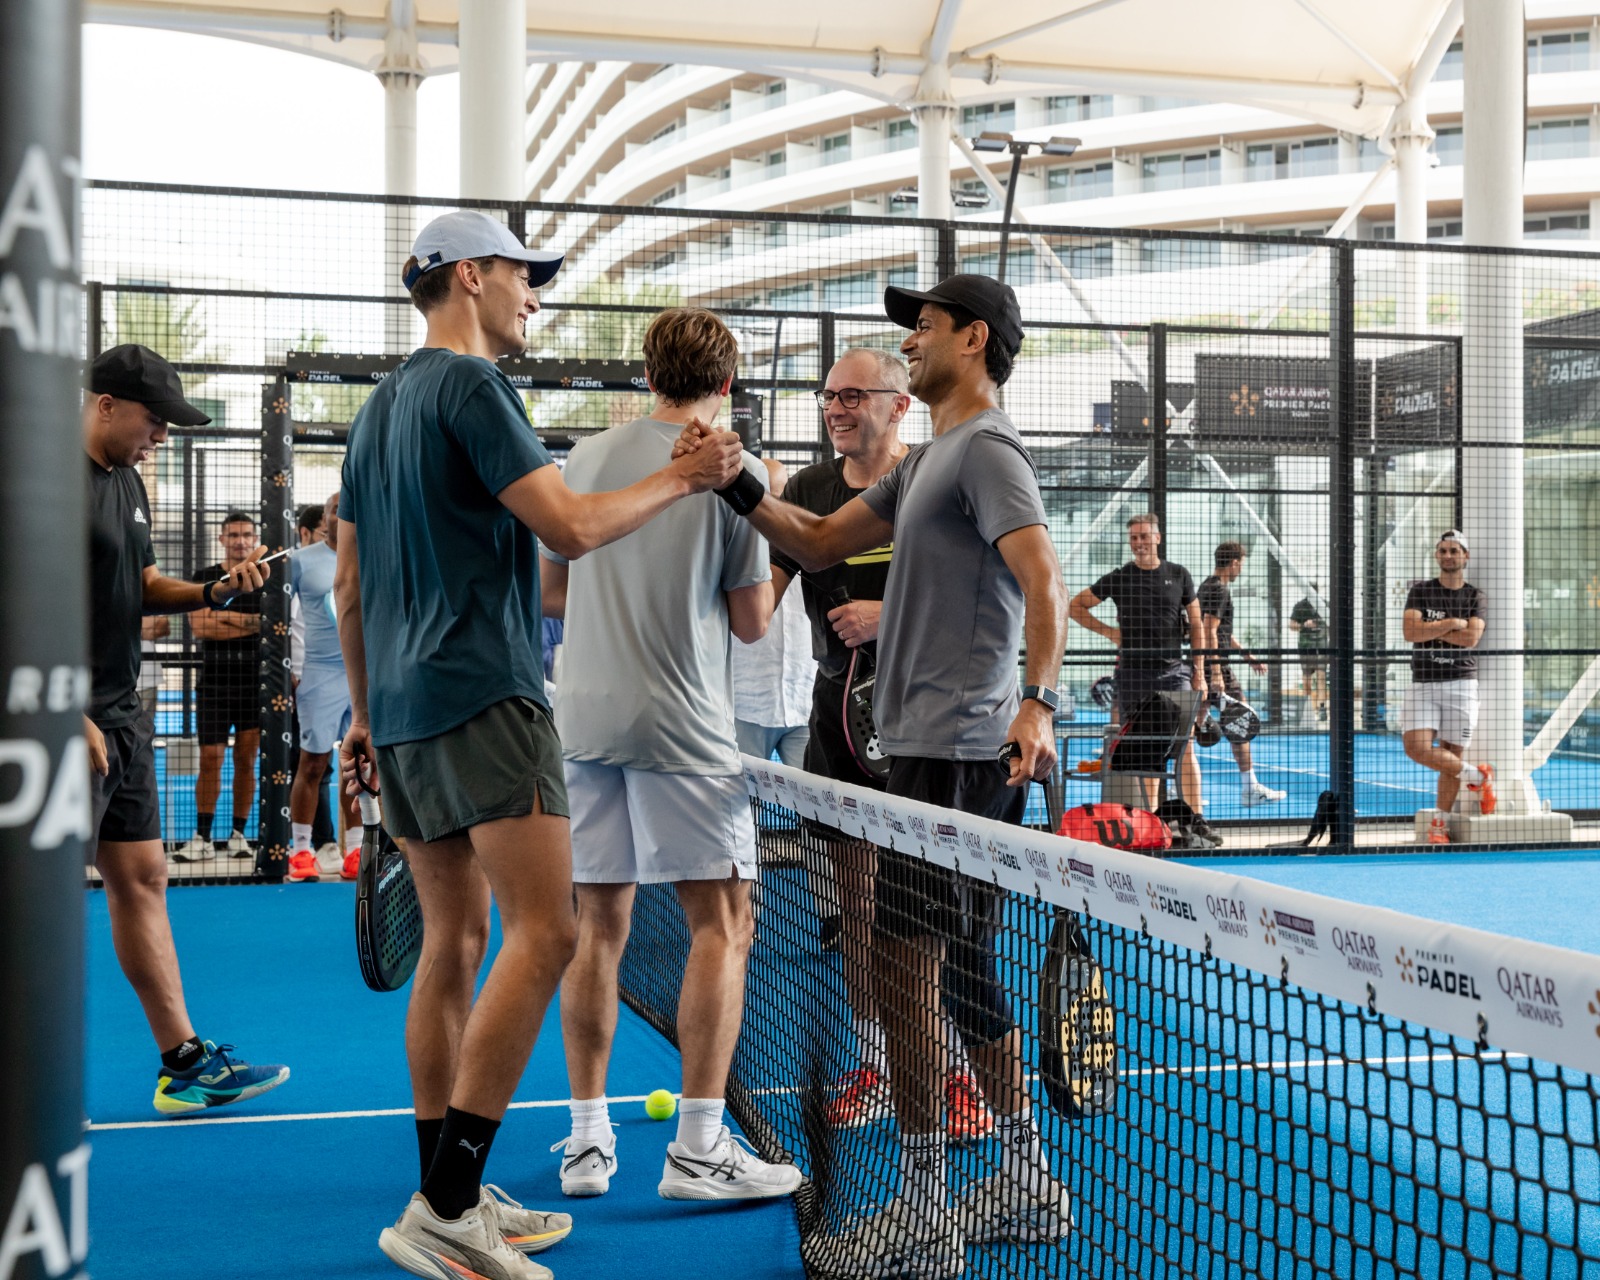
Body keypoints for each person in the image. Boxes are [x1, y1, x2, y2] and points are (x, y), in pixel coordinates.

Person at [335, 211, 744, 1280]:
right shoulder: (473, 389)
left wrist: (370, 714)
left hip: (411, 708)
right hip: (486, 695)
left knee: (453, 942)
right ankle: (448, 1201)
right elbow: (566, 528)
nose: (535, 295)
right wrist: (686, 478)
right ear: (469, 276)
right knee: (548, 932)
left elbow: (351, 584)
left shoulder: (377, 409)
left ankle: (448, 1187)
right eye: (525, 276)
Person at [678, 275, 1072, 1273]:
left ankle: (928, 1211)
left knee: (904, 972)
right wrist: (736, 480)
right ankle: (1026, 1175)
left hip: (957, 753)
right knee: (967, 970)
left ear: (972, 340)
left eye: (925, 328)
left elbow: (1043, 579)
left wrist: (1038, 701)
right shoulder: (930, 461)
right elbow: (812, 540)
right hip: (926, 755)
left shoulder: (986, 450)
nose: (911, 344)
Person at [542, 306, 802, 1206]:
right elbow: (750, 619)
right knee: (721, 925)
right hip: (684, 727)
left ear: (646, 373)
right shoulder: (740, 473)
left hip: (580, 720)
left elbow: (552, 587)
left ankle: (585, 1142)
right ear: (727, 384)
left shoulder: (584, 458)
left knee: (594, 930)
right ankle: (698, 1149)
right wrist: (786, 561)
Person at [773, 348, 991, 1144]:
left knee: (939, 915)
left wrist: (883, 617)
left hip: (931, 728)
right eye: (828, 395)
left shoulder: (936, 478)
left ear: (898, 407)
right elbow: (758, 600)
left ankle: (956, 1072)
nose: (836, 407)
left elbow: (983, 587)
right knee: (860, 903)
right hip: (838, 720)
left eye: (853, 394)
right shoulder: (808, 490)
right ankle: (876, 1059)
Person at [86, 342, 290, 1115]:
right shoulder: (42, 483)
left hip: (120, 713)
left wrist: (214, 587)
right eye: (154, 420)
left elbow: (141, 587)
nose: (162, 436)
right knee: (32, 907)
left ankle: (183, 1065)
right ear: (107, 405)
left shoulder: (128, 482)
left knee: (143, 878)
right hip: (58, 723)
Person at [1069, 514, 1216, 842]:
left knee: (1185, 746)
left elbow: (1196, 626)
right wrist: (1110, 633)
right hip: (1134, 676)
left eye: (1144, 536)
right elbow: (1075, 606)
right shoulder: (1120, 578)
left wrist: (1200, 673)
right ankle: (1152, 824)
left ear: (1158, 538)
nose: (1139, 543)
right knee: (1147, 750)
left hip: (1174, 674)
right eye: (1134, 537)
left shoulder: (1179, 575)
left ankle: (1196, 820)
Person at [172, 510, 264, 861]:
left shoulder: (266, 579)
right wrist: (250, 623)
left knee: (246, 759)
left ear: (254, 539)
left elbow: (267, 627)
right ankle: (203, 837)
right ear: (222, 539)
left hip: (254, 685)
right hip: (213, 683)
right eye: (234, 535)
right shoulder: (206, 577)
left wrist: (222, 614)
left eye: (246, 534)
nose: (241, 541)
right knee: (210, 758)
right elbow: (201, 627)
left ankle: (238, 835)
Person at [1401, 530, 1495, 843]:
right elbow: (1410, 633)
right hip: (1424, 682)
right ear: (1436, 555)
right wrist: (1452, 623)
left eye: (1454, 551)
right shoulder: (1420, 591)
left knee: (1451, 755)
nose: (1448, 556)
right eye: (1443, 550)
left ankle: (1439, 825)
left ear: (1465, 556)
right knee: (1416, 748)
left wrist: (1431, 630)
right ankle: (1477, 777)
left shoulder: (1475, 596)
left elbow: (1471, 639)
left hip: (1461, 683)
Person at [287, 491, 362, 882]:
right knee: (313, 763)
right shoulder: (301, 561)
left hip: (365, 676)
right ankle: (300, 851)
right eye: (336, 509)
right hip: (320, 673)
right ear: (325, 521)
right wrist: (294, 669)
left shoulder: (378, 554)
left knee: (362, 763)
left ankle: (355, 852)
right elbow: (286, 620)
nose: (343, 513)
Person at [732, 457, 816, 770]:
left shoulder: (810, 546)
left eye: (777, 496)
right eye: (760, 494)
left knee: (814, 808)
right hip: (745, 702)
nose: (768, 506)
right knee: (741, 807)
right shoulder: (733, 548)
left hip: (803, 701)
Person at [1198, 541, 1285, 807]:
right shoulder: (1220, 590)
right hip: (1215, 668)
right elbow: (1209, 631)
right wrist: (1215, 673)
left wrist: (1247, 655)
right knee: (1241, 721)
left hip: (1200, 664)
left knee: (1190, 727)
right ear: (1234, 562)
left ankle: (1184, 791)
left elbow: (1220, 630)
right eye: (1241, 564)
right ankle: (1250, 789)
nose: (1241, 569)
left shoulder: (1205, 586)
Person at [1289, 583, 1328, 722]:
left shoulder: (1324, 605)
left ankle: (1322, 708)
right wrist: (1304, 624)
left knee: (1321, 676)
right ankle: (1309, 709)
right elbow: (1291, 625)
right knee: (1307, 678)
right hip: (1306, 646)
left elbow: (1333, 623)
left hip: (1322, 646)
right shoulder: (1300, 606)